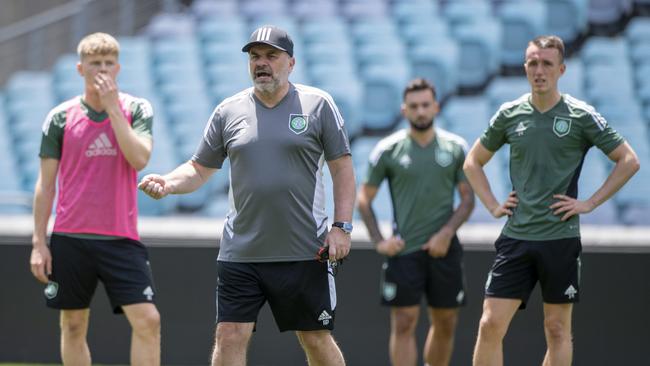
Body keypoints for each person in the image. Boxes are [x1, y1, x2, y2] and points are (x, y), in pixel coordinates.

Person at [138, 25, 355, 366]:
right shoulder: (228, 111)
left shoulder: (318, 104)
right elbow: (199, 169)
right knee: (229, 335)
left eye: (271, 56)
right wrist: (168, 183)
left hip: (305, 250)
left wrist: (342, 226)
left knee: (314, 338)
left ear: (291, 62)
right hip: (241, 252)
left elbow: (342, 168)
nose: (261, 63)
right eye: (255, 57)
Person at [464, 35, 640, 366]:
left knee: (557, 330)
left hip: (560, 239)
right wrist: (491, 205)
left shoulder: (580, 115)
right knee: (489, 325)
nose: (539, 70)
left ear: (561, 69)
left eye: (546, 63)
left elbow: (628, 160)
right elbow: (472, 162)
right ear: (525, 67)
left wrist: (589, 203)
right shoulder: (509, 114)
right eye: (533, 62)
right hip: (516, 238)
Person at [28, 32, 160, 365]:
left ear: (118, 67)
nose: (101, 70)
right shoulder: (60, 117)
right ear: (79, 69)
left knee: (148, 320)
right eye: (94, 64)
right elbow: (45, 185)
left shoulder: (136, 109)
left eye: (107, 63)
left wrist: (114, 109)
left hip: (121, 237)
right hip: (71, 238)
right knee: (72, 324)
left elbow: (139, 159)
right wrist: (39, 243)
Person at [357, 78, 475, 366]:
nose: (420, 111)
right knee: (404, 322)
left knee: (446, 322)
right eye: (414, 106)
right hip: (404, 251)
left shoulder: (456, 147)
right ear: (404, 110)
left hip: (443, 249)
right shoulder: (388, 149)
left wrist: (447, 233)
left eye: (425, 105)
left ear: (435, 106)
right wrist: (379, 241)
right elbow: (363, 199)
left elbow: (468, 198)